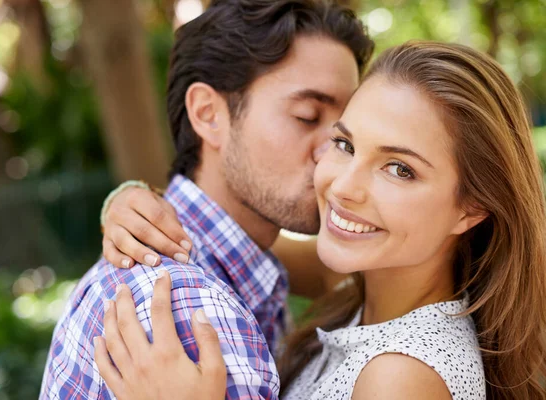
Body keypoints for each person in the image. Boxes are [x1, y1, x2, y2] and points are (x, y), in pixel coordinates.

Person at [94, 41, 546, 399]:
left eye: (399, 169)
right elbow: (227, 240)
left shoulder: (401, 379)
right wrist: (133, 203)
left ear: (471, 207)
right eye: (346, 145)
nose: (344, 186)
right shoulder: (363, 283)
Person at [39, 0, 373, 399]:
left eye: (342, 135)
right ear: (208, 114)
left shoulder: (249, 271)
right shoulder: (186, 305)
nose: (333, 154)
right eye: (306, 115)